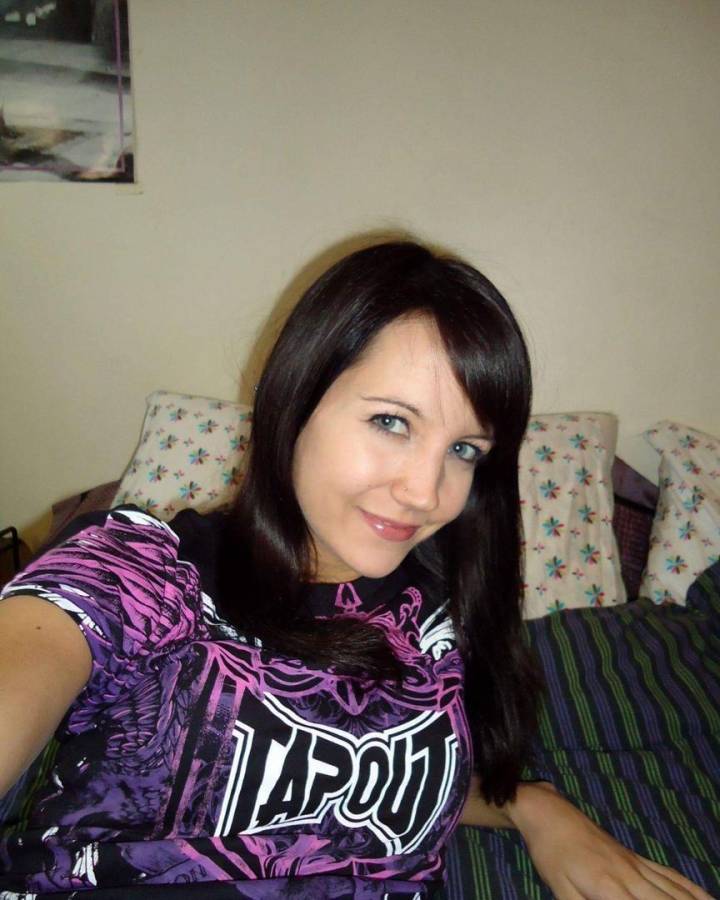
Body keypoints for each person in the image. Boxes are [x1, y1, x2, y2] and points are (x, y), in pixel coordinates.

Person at [0, 241, 711, 899]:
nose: (426, 493)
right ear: (295, 400)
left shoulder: (433, 617)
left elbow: (381, 781)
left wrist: (534, 806)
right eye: (391, 422)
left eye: (464, 450)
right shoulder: (145, 573)